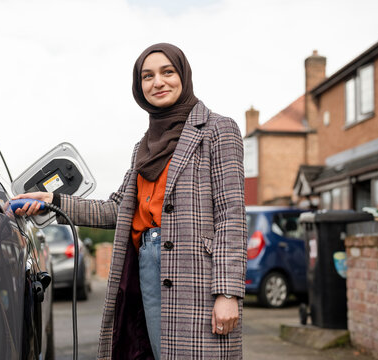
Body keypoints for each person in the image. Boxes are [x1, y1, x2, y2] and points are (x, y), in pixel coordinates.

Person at [13, 43, 247, 360]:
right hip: (147, 267)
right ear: (139, 87)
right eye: (147, 76)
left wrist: (228, 293)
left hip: (197, 276)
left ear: (184, 76)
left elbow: (231, 218)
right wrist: (53, 200)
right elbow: (116, 208)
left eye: (168, 72)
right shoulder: (143, 147)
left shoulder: (218, 130)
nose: (158, 82)